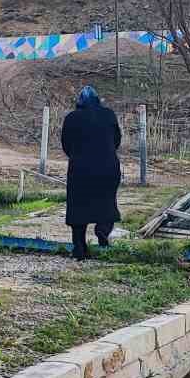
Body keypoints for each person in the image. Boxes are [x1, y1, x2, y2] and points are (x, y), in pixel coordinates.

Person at [61, 85, 122, 260]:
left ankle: (80, 247)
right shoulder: (109, 115)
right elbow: (116, 140)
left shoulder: (71, 118)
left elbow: (66, 145)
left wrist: (78, 156)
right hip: (108, 168)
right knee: (107, 202)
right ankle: (102, 231)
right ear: (98, 100)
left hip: (80, 169)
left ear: (79, 102)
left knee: (78, 207)